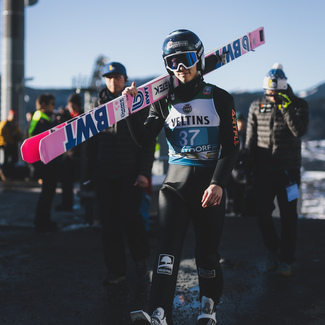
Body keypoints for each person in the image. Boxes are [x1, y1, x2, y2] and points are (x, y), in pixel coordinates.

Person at [125, 30, 239, 325]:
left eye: (186, 59)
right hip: (174, 187)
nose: (180, 67)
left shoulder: (220, 97)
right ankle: (159, 312)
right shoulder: (163, 101)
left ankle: (209, 305)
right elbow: (143, 139)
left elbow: (232, 147)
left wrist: (218, 183)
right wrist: (130, 110)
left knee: (207, 255)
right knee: (166, 252)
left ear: (199, 59)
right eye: (172, 62)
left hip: (208, 188)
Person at [85, 62, 156, 286]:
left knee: (130, 219)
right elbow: (90, 146)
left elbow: (147, 142)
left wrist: (144, 173)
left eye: (117, 77)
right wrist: (87, 176)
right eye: (109, 77)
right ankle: (116, 271)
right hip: (105, 175)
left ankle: (140, 260)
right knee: (108, 225)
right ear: (104, 80)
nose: (113, 81)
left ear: (125, 79)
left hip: (130, 175)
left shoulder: (136, 104)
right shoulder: (96, 107)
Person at [245, 63, 309, 276]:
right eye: (268, 93)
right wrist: (247, 165)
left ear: (283, 89)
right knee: (262, 212)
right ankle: (273, 249)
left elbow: (299, 131)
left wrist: (287, 106)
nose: (271, 97)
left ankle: (286, 259)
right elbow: (250, 140)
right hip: (264, 171)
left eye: (275, 93)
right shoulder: (256, 105)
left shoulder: (299, 105)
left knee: (289, 215)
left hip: (289, 172)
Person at [29, 94, 59, 232]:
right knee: (47, 193)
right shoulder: (41, 119)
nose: (54, 106)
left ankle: (43, 220)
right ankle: (42, 222)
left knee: (48, 193)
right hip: (45, 164)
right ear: (44, 105)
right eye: (52, 104)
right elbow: (43, 139)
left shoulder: (42, 118)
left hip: (46, 163)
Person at [55, 94, 84, 211]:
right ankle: (67, 204)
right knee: (66, 182)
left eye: (72, 106)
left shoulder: (83, 115)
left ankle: (84, 204)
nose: (70, 108)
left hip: (80, 155)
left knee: (84, 182)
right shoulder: (66, 116)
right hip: (69, 155)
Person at [226, 112, 248, 216]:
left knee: (241, 192)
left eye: (241, 122)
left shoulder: (247, 135)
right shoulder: (230, 136)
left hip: (243, 169)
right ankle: (232, 209)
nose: (240, 124)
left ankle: (240, 210)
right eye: (238, 122)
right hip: (232, 169)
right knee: (232, 193)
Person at [0, 109, 23, 177]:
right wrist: (3, 142)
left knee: (14, 159)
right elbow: (1, 133)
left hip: (13, 144)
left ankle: (9, 173)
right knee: (6, 160)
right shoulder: (4, 124)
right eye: (12, 115)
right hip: (5, 144)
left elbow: (19, 133)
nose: (13, 117)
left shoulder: (15, 125)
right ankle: (4, 173)